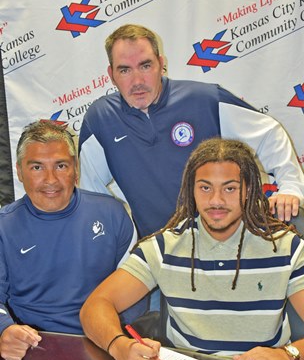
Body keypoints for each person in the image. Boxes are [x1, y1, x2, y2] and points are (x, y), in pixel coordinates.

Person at [80, 138, 304, 360]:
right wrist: (119, 346)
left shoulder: (285, 247)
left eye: (229, 188)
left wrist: (288, 354)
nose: (216, 200)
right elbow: (95, 306)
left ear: (248, 189)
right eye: (205, 188)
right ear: (191, 189)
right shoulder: (165, 246)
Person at [79, 24, 304, 240]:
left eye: (145, 66)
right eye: (125, 70)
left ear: (161, 63)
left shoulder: (204, 100)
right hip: (164, 256)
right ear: (111, 74)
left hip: (233, 241)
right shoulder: (100, 120)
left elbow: (270, 134)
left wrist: (291, 188)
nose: (137, 81)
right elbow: (93, 197)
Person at [0, 120, 136, 360]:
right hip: (31, 350)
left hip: (104, 344)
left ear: (75, 169)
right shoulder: (3, 227)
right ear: (19, 171)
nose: (51, 180)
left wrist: (116, 341)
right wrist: (4, 330)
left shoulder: (113, 214)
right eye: (37, 168)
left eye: (60, 166)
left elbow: (137, 291)